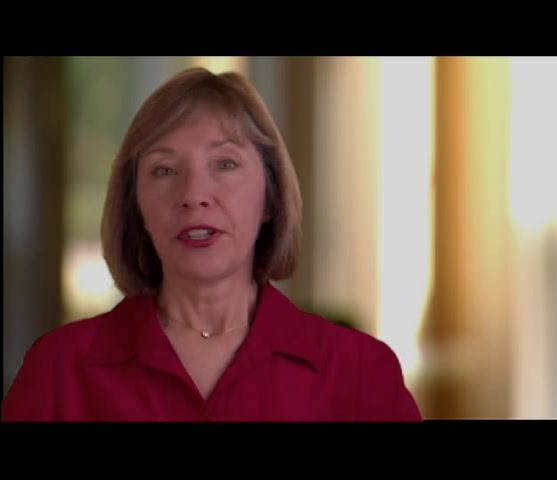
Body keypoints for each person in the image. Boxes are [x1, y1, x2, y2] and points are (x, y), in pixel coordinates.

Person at [2, 67, 422, 422]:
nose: (193, 194)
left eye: (224, 163)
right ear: (137, 207)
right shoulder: (58, 370)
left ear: (270, 198)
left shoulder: (360, 372)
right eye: (164, 170)